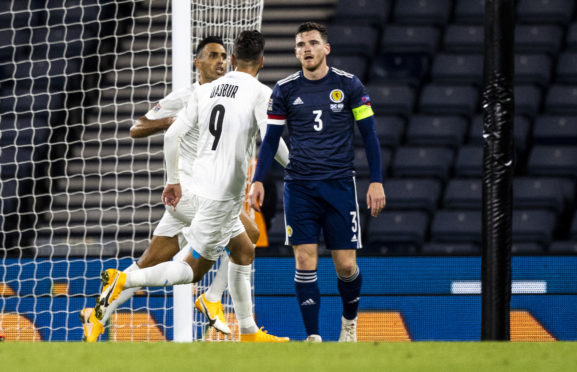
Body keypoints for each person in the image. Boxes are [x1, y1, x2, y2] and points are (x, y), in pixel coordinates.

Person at [81, 36, 288, 342]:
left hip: (186, 196)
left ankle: (97, 312)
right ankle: (216, 303)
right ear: (198, 62)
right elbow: (137, 128)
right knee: (229, 248)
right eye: (212, 55)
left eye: (222, 55)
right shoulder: (190, 95)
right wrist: (173, 122)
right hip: (193, 193)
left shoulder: (223, 93)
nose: (218, 61)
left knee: (151, 261)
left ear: (230, 60)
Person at [248, 22, 386, 342]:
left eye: (312, 43)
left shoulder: (349, 85)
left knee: (346, 267)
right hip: (300, 187)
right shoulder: (284, 89)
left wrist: (376, 181)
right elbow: (270, 141)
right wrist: (258, 180)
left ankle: (349, 324)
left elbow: (370, 136)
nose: (305, 49)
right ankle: (313, 337)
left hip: (339, 186)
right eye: (300, 45)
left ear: (326, 48)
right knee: (304, 259)